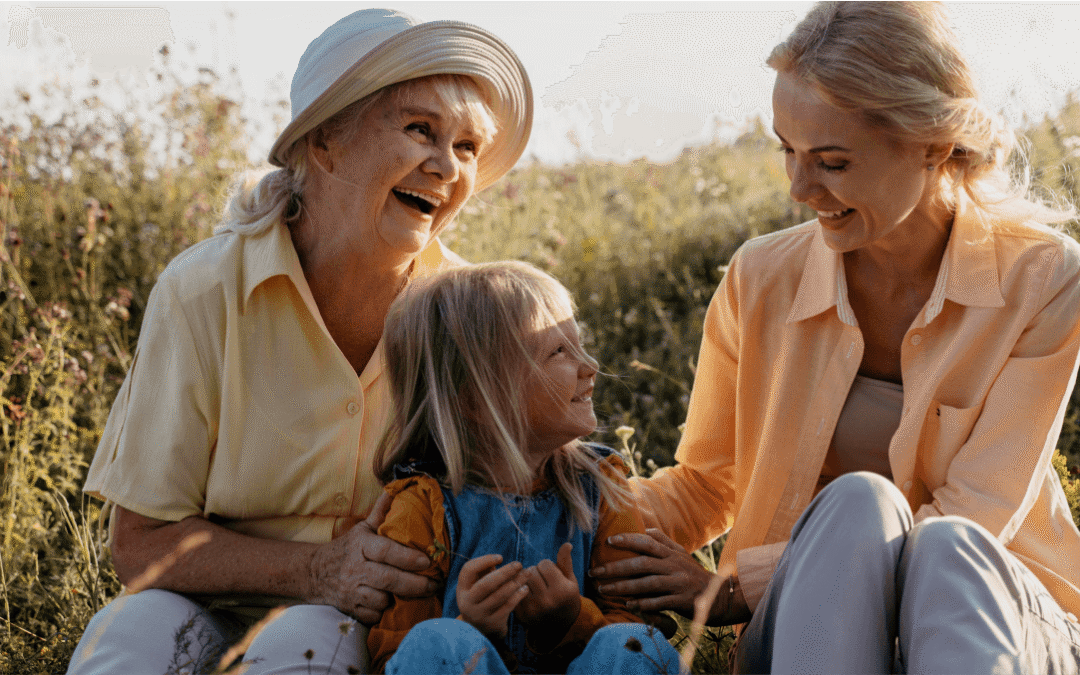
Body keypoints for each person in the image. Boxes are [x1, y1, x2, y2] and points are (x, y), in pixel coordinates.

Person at [590, 3, 1080, 674]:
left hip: (995, 616)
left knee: (945, 546)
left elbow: (979, 510)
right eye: (786, 151)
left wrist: (736, 585)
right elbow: (708, 483)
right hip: (811, 634)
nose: (798, 187)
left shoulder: (1045, 277)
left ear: (934, 143)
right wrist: (561, 502)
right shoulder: (760, 279)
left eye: (832, 162)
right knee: (859, 500)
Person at [68, 9, 532, 674]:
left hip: (371, 624)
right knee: (128, 637)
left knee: (302, 645)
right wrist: (316, 568)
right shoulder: (204, 289)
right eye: (420, 130)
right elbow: (140, 544)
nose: (446, 167)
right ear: (325, 141)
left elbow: (516, 500)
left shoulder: (465, 314)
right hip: (195, 596)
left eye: (466, 147)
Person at [365, 261, 682, 675]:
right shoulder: (421, 507)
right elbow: (395, 657)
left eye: (579, 344)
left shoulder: (601, 486)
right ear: (476, 399)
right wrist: (473, 629)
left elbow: (640, 625)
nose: (590, 366)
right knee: (437, 641)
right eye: (559, 351)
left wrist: (569, 621)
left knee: (630, 646)